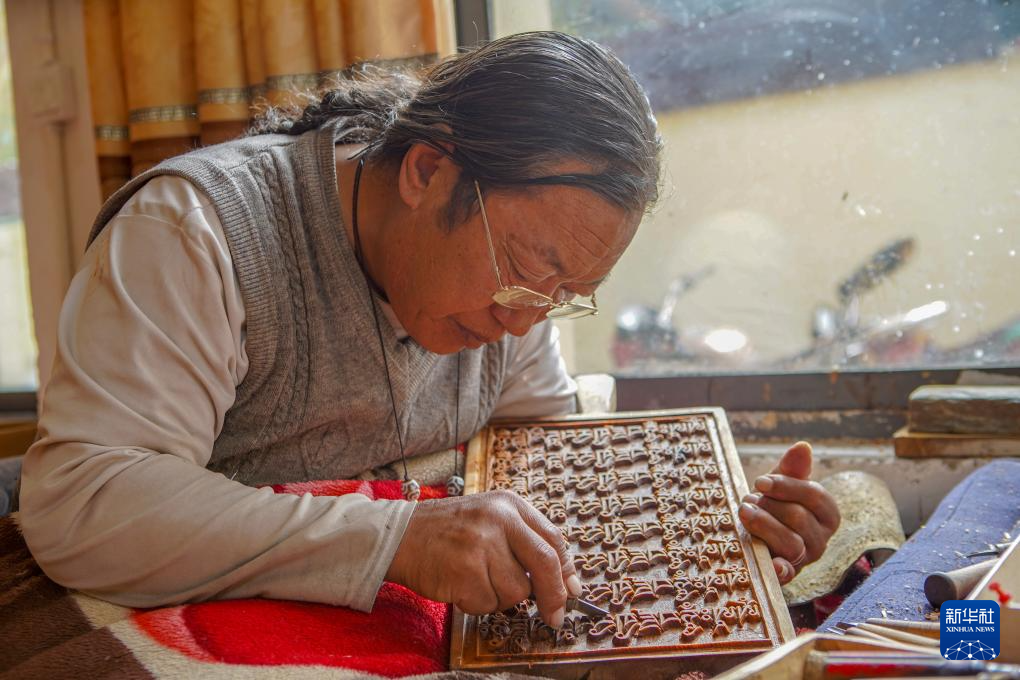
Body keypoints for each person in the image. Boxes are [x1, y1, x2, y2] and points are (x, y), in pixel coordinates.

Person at [14, 31, 838, 630]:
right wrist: (395, 538)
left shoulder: (519, 292)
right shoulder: (196, 232)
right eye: (526, 268)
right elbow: (84, 503)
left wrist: (709, 534)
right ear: (426, 169)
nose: (524, 318)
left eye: (566, 295)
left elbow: (552, 457)